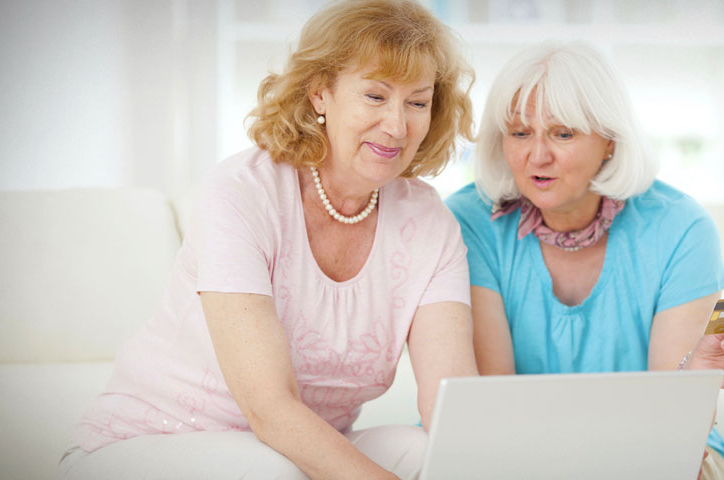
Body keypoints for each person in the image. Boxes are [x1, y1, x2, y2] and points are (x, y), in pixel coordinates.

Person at [59, 1, 477, 478]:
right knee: (269, 471)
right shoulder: (241, 192)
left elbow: (451, 402)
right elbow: (269, 409)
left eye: (417, 102)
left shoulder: (430, 222)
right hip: (153, 440)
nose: (397, 126)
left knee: (425, 452)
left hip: (298, 453)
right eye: (375, 96)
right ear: (321, 93)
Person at [446, 42, 724, 480]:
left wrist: (699, 372)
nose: (537, 156)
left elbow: (674, 429)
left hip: (655, 450)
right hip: (514, 453)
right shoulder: (468, 223)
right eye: (520, 133)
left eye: (563, 134)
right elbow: (492, 411)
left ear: (610, 141)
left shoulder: (683, 228)